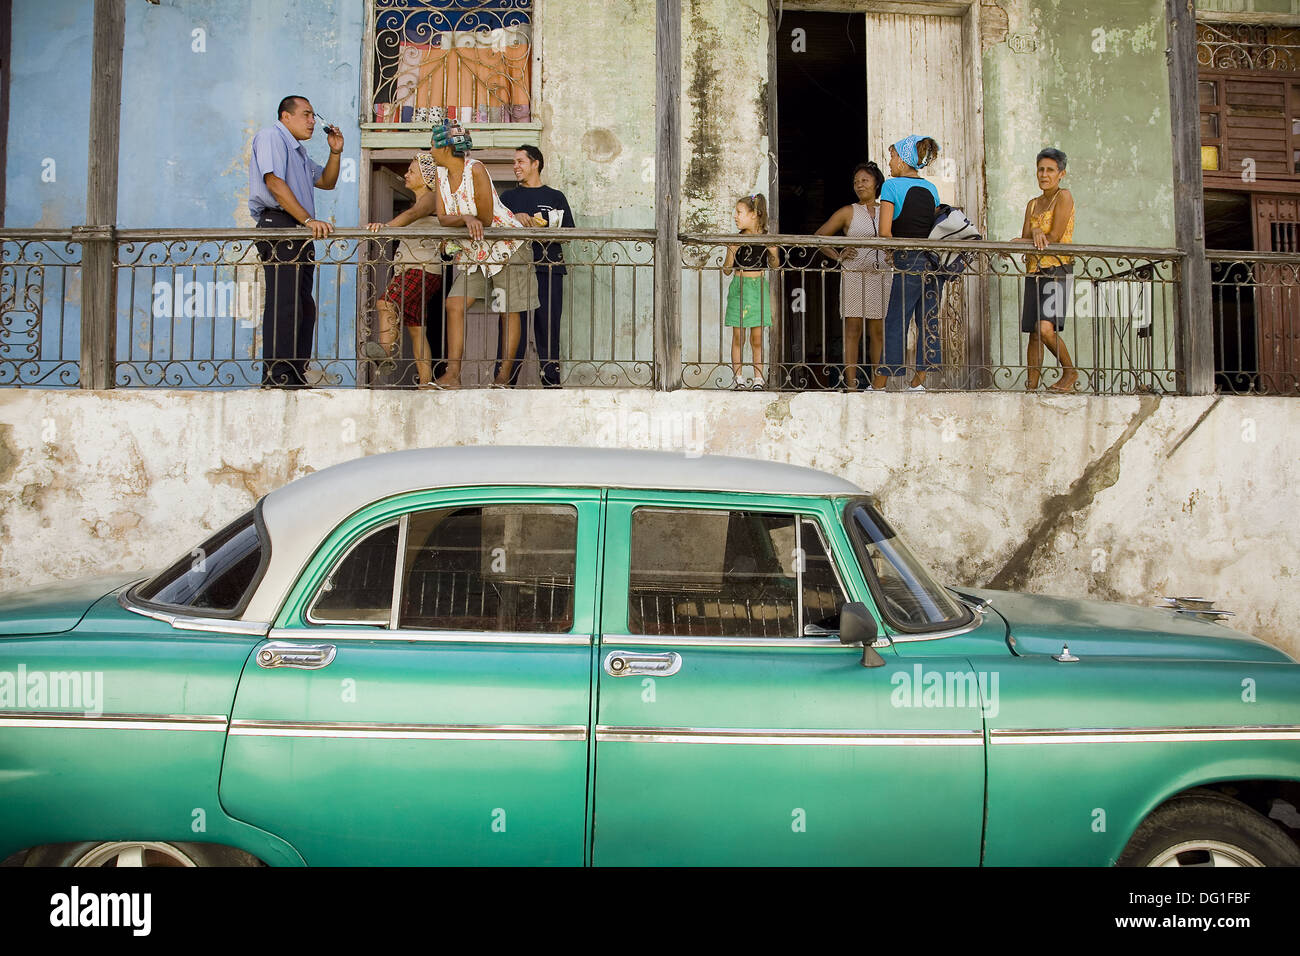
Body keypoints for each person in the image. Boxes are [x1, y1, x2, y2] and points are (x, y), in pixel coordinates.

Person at [402, 120, 538, 387]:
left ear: (447, 148)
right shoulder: (441, 174)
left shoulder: (475, 169)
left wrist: (469, 219)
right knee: (454, 304)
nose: (430, 150)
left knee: (506, 310)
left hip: (506, 248)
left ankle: (502, 377)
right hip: (475, 250)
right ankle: (453, 374)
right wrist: (465, 217)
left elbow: (486, 217)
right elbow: (442, 218)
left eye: (433, 145)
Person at [248, 95, 342, 388]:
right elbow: (274, 182)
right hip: (281, 226)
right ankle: (277, 375)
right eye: (306, 114)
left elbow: (327, 181)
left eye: (314, 115)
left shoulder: (299, 152)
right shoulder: (271, 137)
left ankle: (295, 372)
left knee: (304, 305)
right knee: (285, 302)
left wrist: (336, 152)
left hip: (299, 231)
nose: (312, 121)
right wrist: (307, 220)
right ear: (286, 116)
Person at [498, 145, 576, 387]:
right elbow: (494, 230)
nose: (515, 166)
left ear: (536, 164)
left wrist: (545, 230)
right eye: (514, 162)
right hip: (512, 271)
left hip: (548, 268)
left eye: (520, 161)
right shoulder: (507, 198)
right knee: (510, 330)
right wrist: (514, 218)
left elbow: (569, 233)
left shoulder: (555, 197)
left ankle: (551, 383)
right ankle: (504, 382)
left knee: (548, 328)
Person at [364, 153, 445, 387]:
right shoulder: (424, 200)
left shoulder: (430, 198)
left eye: (411, 171)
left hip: (420, 269)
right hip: (416, 269)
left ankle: (386, 353)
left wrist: (385, 227)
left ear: (426, 176)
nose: (405, 175)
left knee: (385, 302)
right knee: (416, 328)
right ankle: (426, 382)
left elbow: (412, 215)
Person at [877, 135, 943, 391]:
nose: (890, 162)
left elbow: (885, 231)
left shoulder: (891, 187)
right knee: (928, 320)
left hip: (908, 260)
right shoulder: (932, 189)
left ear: (903, 160)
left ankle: (881, 383)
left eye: (893, 156)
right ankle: (918, 382)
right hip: (933, 261)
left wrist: (892, 253)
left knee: (896, 320)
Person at [815, 161, 888, 390]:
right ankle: (852, 385)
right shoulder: (848, 211)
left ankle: (878, 386)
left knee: (878, 330)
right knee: (853, 329)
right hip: (854, 274)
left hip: (882, 275)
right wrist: (837, 256)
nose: (859, 185)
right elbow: (819, 237)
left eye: (864, 181)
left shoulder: (887, 209)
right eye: (856, 182)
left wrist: (895, 255)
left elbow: (897, 236)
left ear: (876, 183)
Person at [1014, 148, 1078, 393]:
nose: (1044, 174)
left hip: (1057, 268)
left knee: (1045, 328)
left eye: (1050, 170)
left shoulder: (1064, 197)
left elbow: (1054, 236)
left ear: (1061, 173)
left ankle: (1069, 371)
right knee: (1033, 332)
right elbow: (1025, 239)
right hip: (1034, 270)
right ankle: (1031, 387)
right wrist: (1026, 239)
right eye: (1041, 169)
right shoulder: (1033, 204)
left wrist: (1037, 234)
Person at [722, 193, 779, 389]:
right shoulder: (736, 239)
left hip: (758, 288)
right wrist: (731, 250)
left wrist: (773, 252)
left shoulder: (766, 238)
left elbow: (775, 264)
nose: (735, 217)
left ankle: (758, 378)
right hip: (740, 287)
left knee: (757, 337)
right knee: (739, 336)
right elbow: (727, 270)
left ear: (754, 214)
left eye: (739, 213)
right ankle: (738, 378)